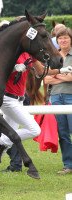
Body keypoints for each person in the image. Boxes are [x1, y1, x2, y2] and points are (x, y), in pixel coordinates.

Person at [0, 34, 72, 184]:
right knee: (34, 130)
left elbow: (41, 72)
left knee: (6, 140)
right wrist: (13, 68)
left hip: (19, 100)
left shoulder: (29, 54)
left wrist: (61, 70)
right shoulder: (9, 52)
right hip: (7, 99)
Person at [44, 27, 72, 175]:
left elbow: (71, 78)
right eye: (60, 38)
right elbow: (46, 79)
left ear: (70, 39)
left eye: (66, 38)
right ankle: (68, 165)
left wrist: (55, 77)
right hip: (55, 98)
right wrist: (63, 75)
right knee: (62, 133)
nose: (63, 40)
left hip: (70, 96)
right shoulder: (53, 57)